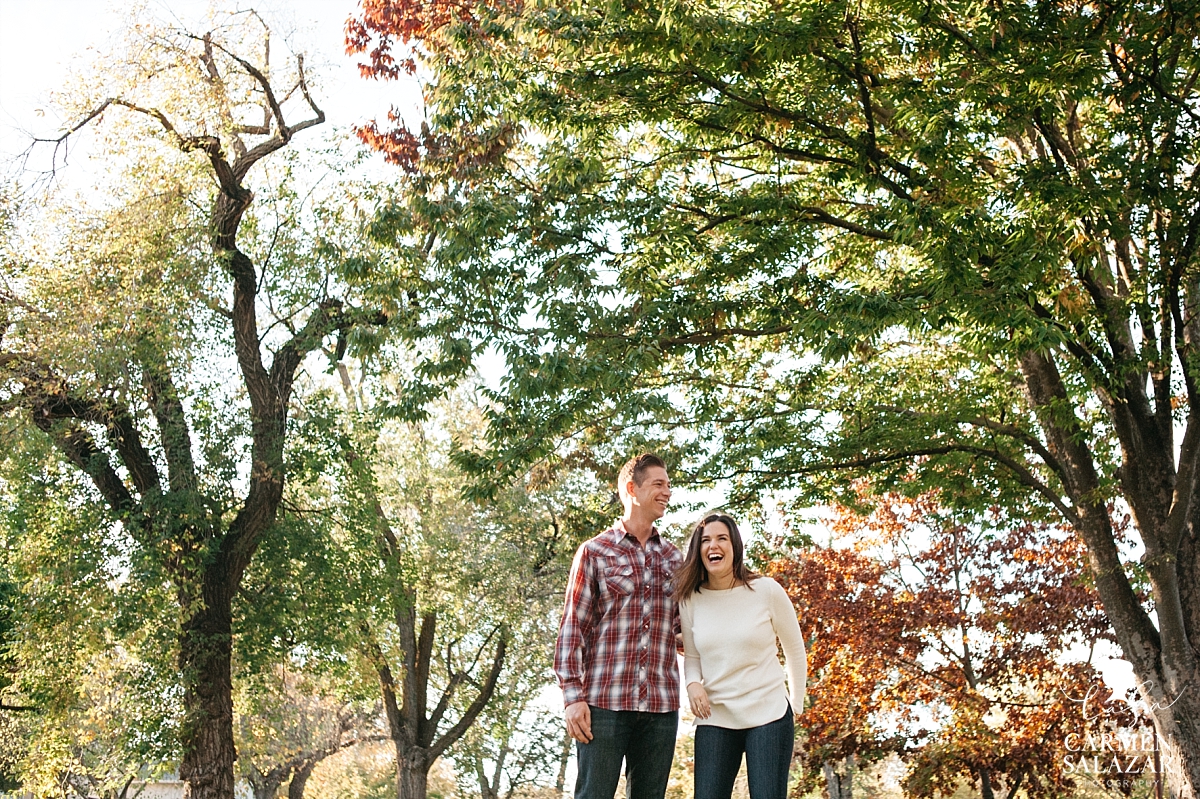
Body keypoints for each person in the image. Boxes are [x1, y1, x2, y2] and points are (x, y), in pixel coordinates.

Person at [554, 453, 683, 799]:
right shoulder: (594, 552)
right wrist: (571, 698)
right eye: (658, 484)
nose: (667, 491)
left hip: (661, 706)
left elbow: (684, 631)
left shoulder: (674, 559)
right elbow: (572, 629)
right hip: (604, 704)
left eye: (668, 485)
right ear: (632, 489)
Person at [675, 513, 806, 799]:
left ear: (735, 545)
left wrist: (794, 705)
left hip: (769, 715)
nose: (714, 546)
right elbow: (693, 656)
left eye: (722, 538)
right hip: (716, 716)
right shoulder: (690, 599)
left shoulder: (766, 590)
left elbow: (794, 649)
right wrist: (693, 683)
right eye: (706, 540)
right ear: (698, 550)